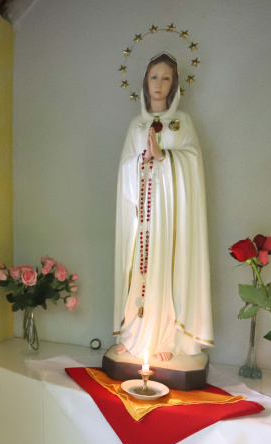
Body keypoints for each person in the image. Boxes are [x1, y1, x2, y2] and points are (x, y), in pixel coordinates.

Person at [113, 52, 213, 364]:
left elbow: (193, 162)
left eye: (166, 78)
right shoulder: (135, 125)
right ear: (145, 82)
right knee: (137, 269)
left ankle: (165, 336)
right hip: (141, 215)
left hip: (170, 216)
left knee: (168, 270)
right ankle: (133, 335)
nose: (159, 84)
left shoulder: (183, 122)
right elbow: (125, 168)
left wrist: (165, 157)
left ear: (174, 84)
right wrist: (143, 157)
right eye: (154, 77)